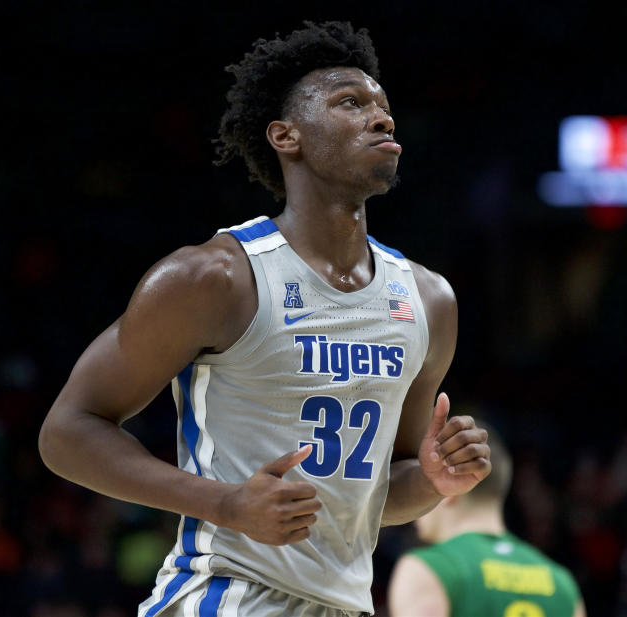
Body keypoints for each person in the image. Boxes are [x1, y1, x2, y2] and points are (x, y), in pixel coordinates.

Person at [37, 20, 491, 617]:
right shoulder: (214, 278)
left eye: (384, 107)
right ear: (286, 136)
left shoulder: (429, 300)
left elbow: (382, 493)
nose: (382, 119)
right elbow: (67, 432)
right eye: (351, 103)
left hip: (345, 604)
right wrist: (224, 504)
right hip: (227, 595)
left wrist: (433, 482)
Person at [388, 422, 584, 617]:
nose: (414, 500)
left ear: (451, 489)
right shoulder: (563, 584)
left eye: (423, 480)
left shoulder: (427, 570)